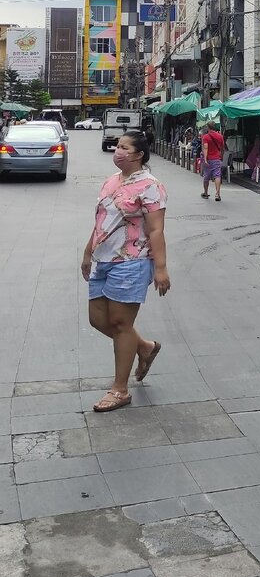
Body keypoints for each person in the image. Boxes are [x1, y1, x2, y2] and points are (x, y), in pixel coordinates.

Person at [81, 131, 169, 412]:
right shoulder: (111, 182)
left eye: (123, 147)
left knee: (120, 324)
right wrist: (87, 253)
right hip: (103, 259)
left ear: (138, 154)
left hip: (133, 261)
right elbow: (101, 222)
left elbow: (156, 229)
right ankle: (144, 346)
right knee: (97, 319)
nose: (117, 151)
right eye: (117, 146)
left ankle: (119, 390)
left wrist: (161, 268)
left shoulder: (150, 186)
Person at [201, 120, 226, 201]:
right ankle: (217, 194)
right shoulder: (220, 136)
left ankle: (205, 192)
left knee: (206, 176)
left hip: (208, 159)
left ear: (208, 127)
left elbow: (205, 147)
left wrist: (205, 159)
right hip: (217, 159)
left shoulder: (205, 137)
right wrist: (221, 156)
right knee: (217, 176)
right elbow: (222, 148)